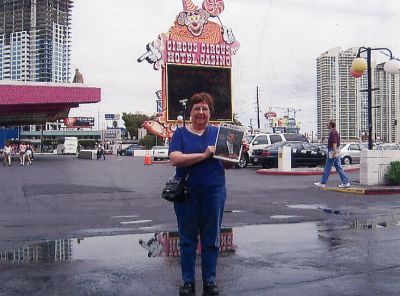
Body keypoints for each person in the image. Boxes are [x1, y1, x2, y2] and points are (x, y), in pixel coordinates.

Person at [169, 92, 246, 296]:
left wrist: (237, 153)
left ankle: (210, 280)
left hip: (214, 191)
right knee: (187, 239)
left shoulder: (219, 134)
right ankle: (187, 281)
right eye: (197, 108)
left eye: (205, 109)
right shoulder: (180, 134)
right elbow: (175, 158)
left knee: (212, 239)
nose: (201, 112)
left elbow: (227, 165)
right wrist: (204, 155)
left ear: (210, 112)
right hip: (187, 193)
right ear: (190, 112)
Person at [314, 120, 350, 188]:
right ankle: (345, 182)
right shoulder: (335, 131)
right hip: (336, 150)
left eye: (327, 124)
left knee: (328, 166)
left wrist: (334, 152)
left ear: (330, 125)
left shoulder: (332, 132)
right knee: (338, 166)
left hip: (332, 150)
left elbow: (334, 143)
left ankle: (322, 183)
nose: (326, 125)